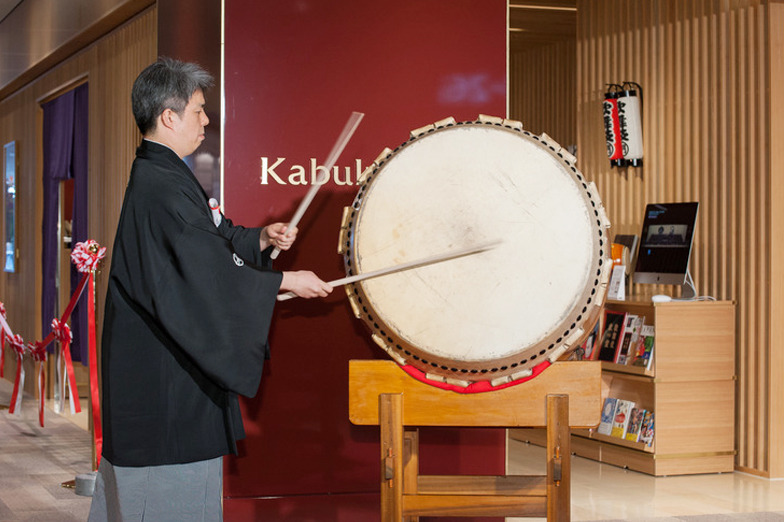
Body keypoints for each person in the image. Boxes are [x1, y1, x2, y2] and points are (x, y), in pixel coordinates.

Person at [88, 57, 332, 521]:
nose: (205, 119)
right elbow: (202, 272)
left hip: (167, 374)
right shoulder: (159, 186)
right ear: (169, 117)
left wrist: (260, 238)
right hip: (164, 384)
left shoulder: (167, 176)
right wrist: (283, 280)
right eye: (198, 109)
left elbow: (210, 238)